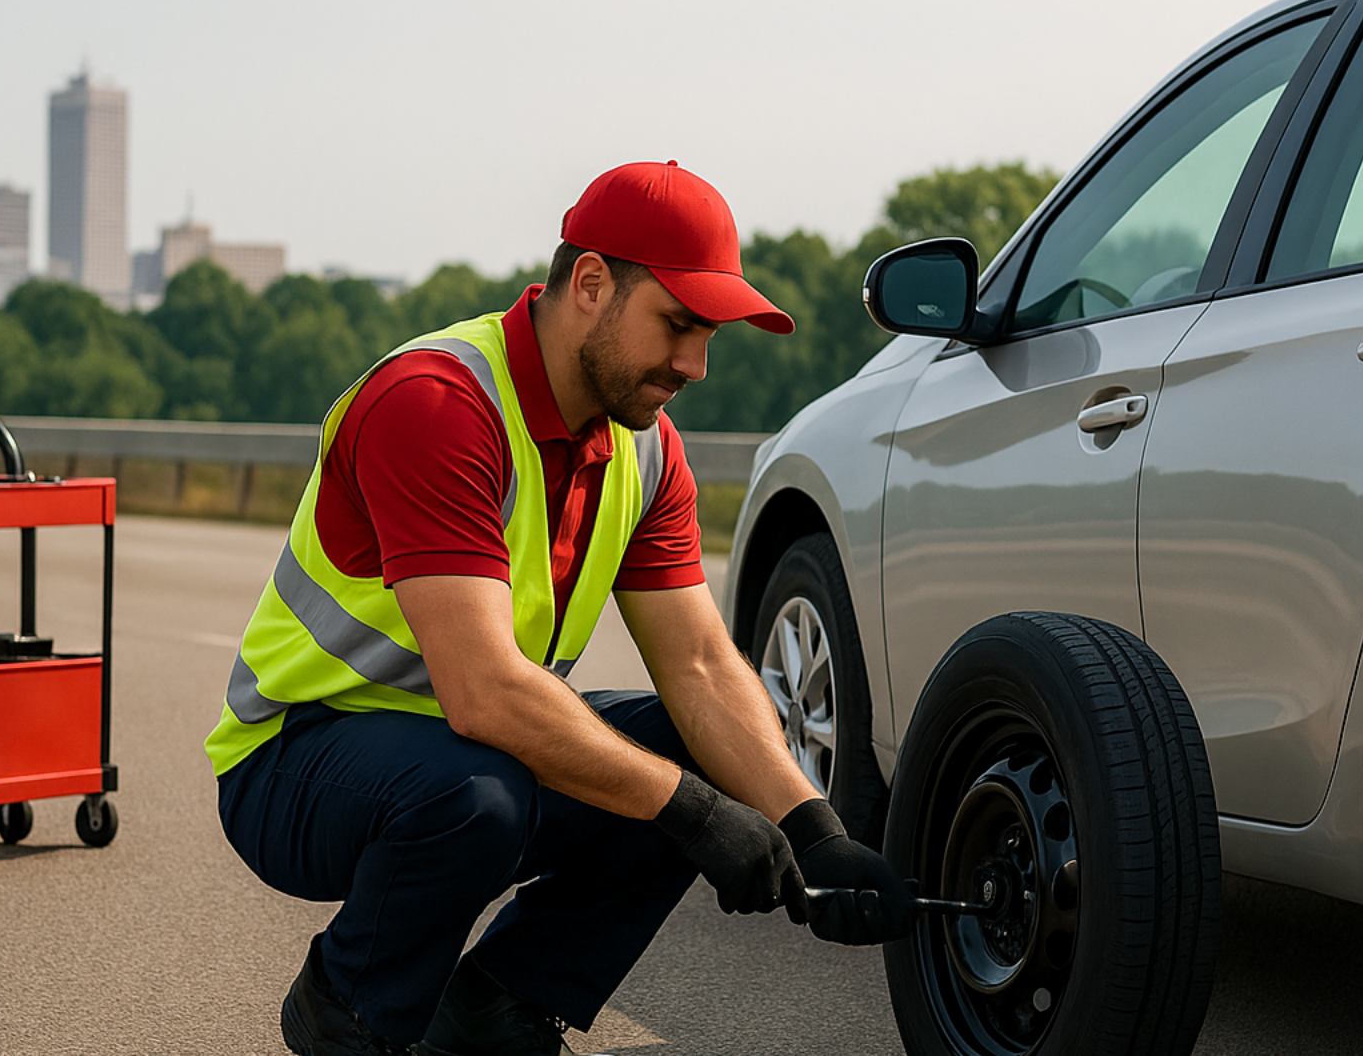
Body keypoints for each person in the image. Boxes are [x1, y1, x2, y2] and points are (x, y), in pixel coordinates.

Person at [205, 160, 916, 1056]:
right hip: (297, 760)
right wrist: (694, 813)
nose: (694, 365)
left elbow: (698, 663)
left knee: (679, 749)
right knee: (497, 796)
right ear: (590, 284)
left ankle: (496, 1011)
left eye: (710, 337)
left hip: (460, 753)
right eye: (679, 325)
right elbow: (486, 694)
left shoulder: (646, 451)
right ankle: (349, 1015)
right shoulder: (439, 404)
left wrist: (810, 827)